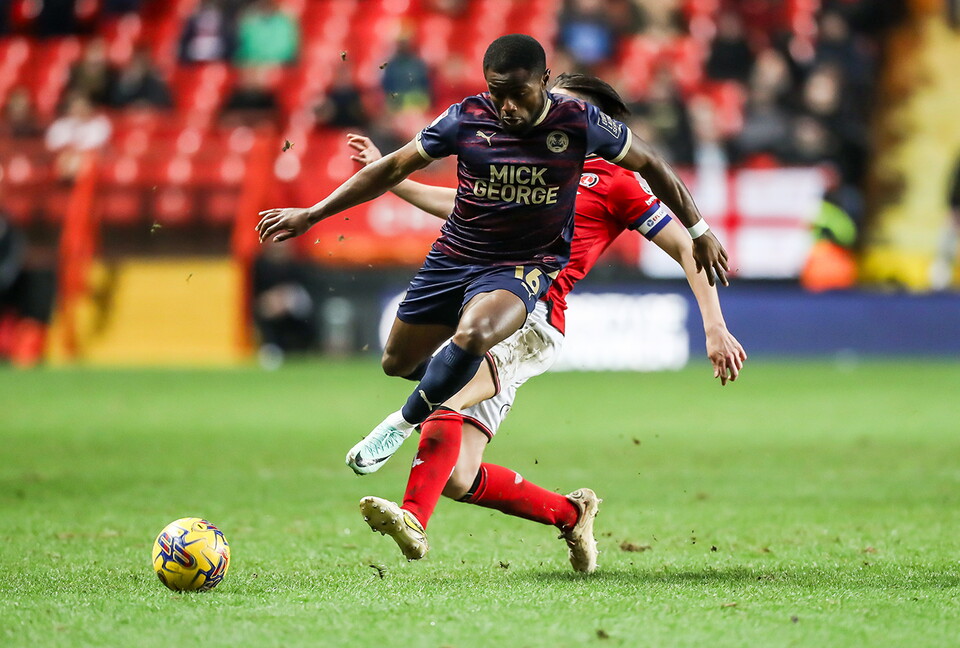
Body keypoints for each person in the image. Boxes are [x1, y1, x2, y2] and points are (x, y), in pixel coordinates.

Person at [255, 35, 731, 567]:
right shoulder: (501, 137)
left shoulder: (618, 180)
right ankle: (571, 515)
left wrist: (714, 324)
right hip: (478, 279)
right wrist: (384, 175)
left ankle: (412, 513)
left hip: (535, 311)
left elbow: (686, 247)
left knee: (450, 392)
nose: (531, 110)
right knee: (458, 475)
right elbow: (457, 200)